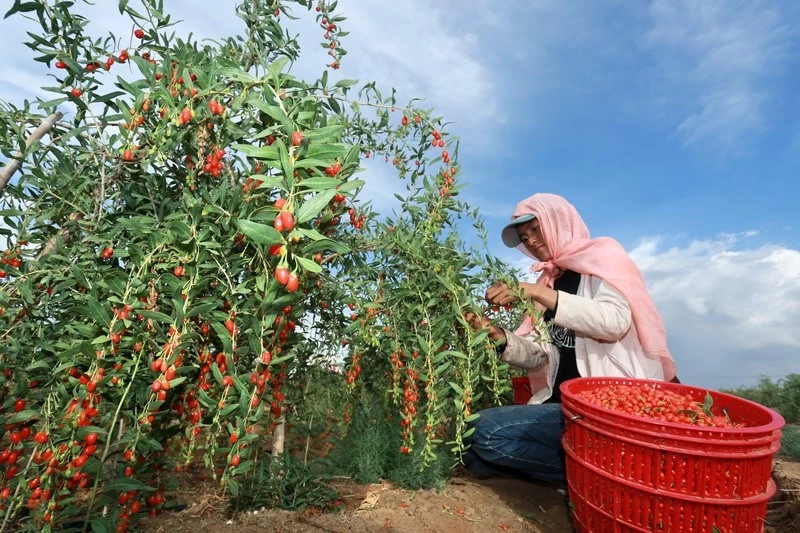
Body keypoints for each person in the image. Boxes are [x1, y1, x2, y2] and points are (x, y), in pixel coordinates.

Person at [462, 192, 676, 483]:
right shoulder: (549, 280)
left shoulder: (603, 258)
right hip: (560, 404)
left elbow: (614, 322)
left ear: (559, 221)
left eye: (535, 229)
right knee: (474, 456)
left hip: (605, 408)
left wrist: (538, 292)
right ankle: (591, 469)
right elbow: (540, 357)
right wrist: (497, 335)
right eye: (525, 237)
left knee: (484, 431)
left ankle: (602, 474)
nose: (531, 241)